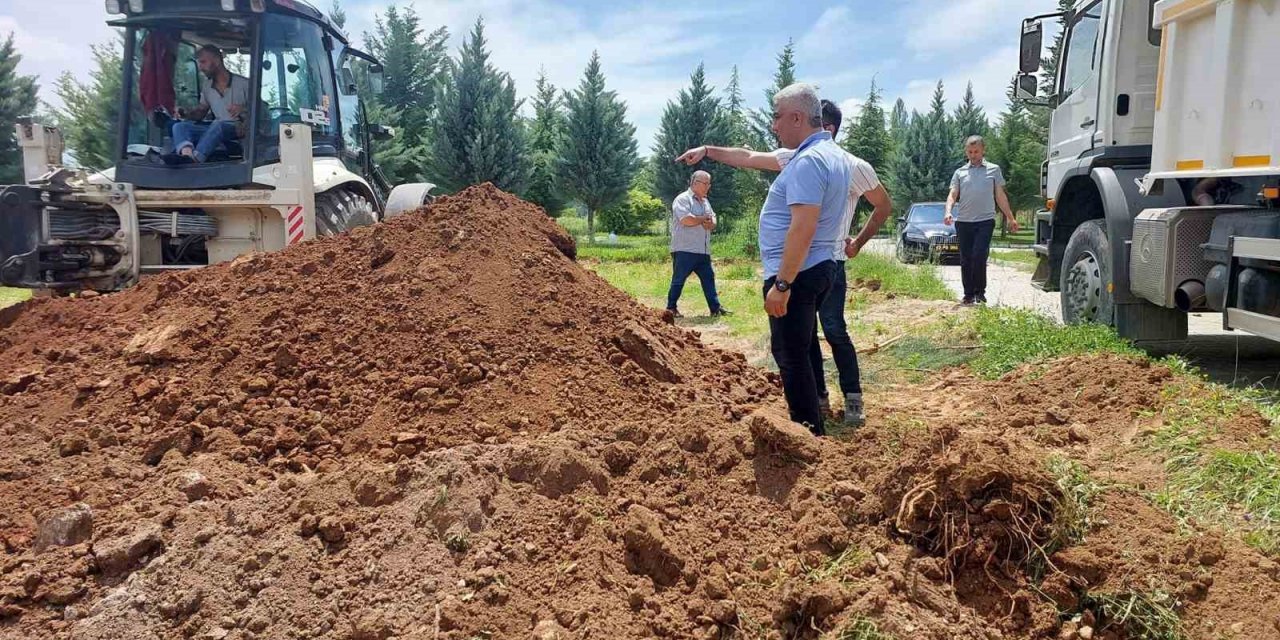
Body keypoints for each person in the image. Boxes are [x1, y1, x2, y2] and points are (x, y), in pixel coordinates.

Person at [675, 100, 892, 427]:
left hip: (821, 263)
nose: (775, 126)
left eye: (780, 118)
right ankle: (816, 399)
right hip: (807, 264)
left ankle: (852, 405)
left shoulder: (851, 165)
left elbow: (882, 206)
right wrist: (707, 150)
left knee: (833, 332)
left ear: (826, 128)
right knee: (804, 339)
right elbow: (747, 158)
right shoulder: (798, 157)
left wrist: (857, 243)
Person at [752, 83, 851, 434]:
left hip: (799, 272)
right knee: (801, 351)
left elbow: (803, 227)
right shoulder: (834, 155)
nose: (774, 126)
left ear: (796, 117)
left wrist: (782, 283)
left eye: (777, 117)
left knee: (791, 358)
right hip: (821, 267)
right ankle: (812, 427)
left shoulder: (809, 161)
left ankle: (808, 436)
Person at [943, 136, 1019, 305]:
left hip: (985, 220)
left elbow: (1000, 196)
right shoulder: (960, 172)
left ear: (983, 150)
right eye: (970, 152)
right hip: (964, 222)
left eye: (976, 151)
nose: (973, 155)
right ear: (966, 152)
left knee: (979, 255)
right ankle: (968, 294)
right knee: (966, 258)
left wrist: (1010, 217)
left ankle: (980, 292)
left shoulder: (993, 170)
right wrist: (948, 212)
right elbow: (953, 194)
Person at [165, 45, 251, 165]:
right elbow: (201, 112)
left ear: (216, 61)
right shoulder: (207, 87)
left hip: (238, 130)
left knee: (218, 125)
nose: (200, 67)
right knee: (179, 127)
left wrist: (244, 110)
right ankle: (186, 155)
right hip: (216, 130)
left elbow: (263, 113)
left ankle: (196, 160)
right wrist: (185, 113)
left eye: (203, 62)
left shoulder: (245, 84)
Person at [666, 171, 731, 318]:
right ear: (695, 183)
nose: (708, 186)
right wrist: (703, 219)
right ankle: (671, 308)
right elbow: (686, 220)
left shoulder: (705, 201)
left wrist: (711, 223)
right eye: (705, 183)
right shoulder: (682, 199)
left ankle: (715, 309)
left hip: (703, 250)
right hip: (684, 249)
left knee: (709, 278)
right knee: (679, 279)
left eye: (709, 183)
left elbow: (713, 220)